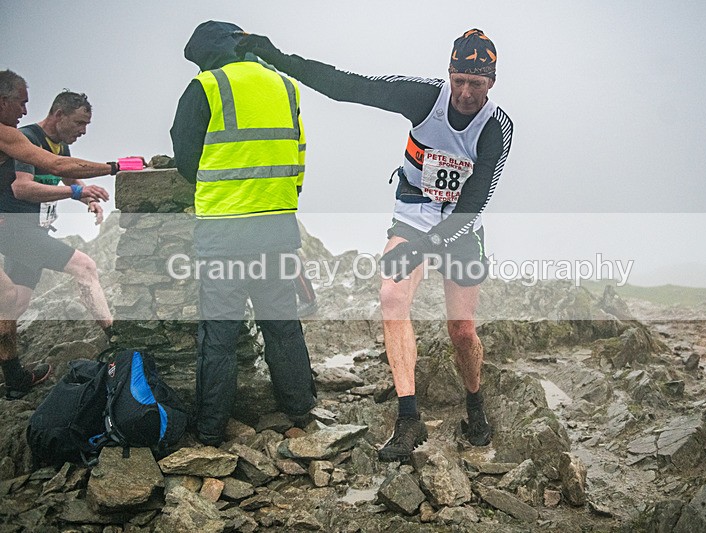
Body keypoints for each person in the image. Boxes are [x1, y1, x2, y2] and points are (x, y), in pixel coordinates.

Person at [237, 28, 513, 461]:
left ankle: (474, 403)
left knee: (461, 330)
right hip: (414, 213)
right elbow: (349, 86)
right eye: (458, 80)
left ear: (491, 83)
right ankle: (409, 418)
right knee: (391, 297)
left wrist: (423, 250)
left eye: (475, 84)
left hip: (460, 225)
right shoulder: (424, 98)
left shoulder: (496, 127)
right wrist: (276, 56)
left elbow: (473, 204)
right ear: (449, 74)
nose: (463, 92)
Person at [170, 21, 317, 446]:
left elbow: (185, 157)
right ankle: (300, 409)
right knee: (282, 323)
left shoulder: (206, 86)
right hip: (276, 224)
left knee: (219, 334)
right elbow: (298, 149)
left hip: (224, 230)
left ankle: (212, 428)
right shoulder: (285, 86)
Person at [0, 70, 135, 399]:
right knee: (85, 267)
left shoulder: (43, 143)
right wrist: (116, 167)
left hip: (26, 230)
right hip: (14, 229)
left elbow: (61, 173)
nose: (23, 110)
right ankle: (119, 344)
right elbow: (24, 187)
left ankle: (14, 377)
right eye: (21, 102)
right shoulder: (23, 138)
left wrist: (84, 194)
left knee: (14, 302)